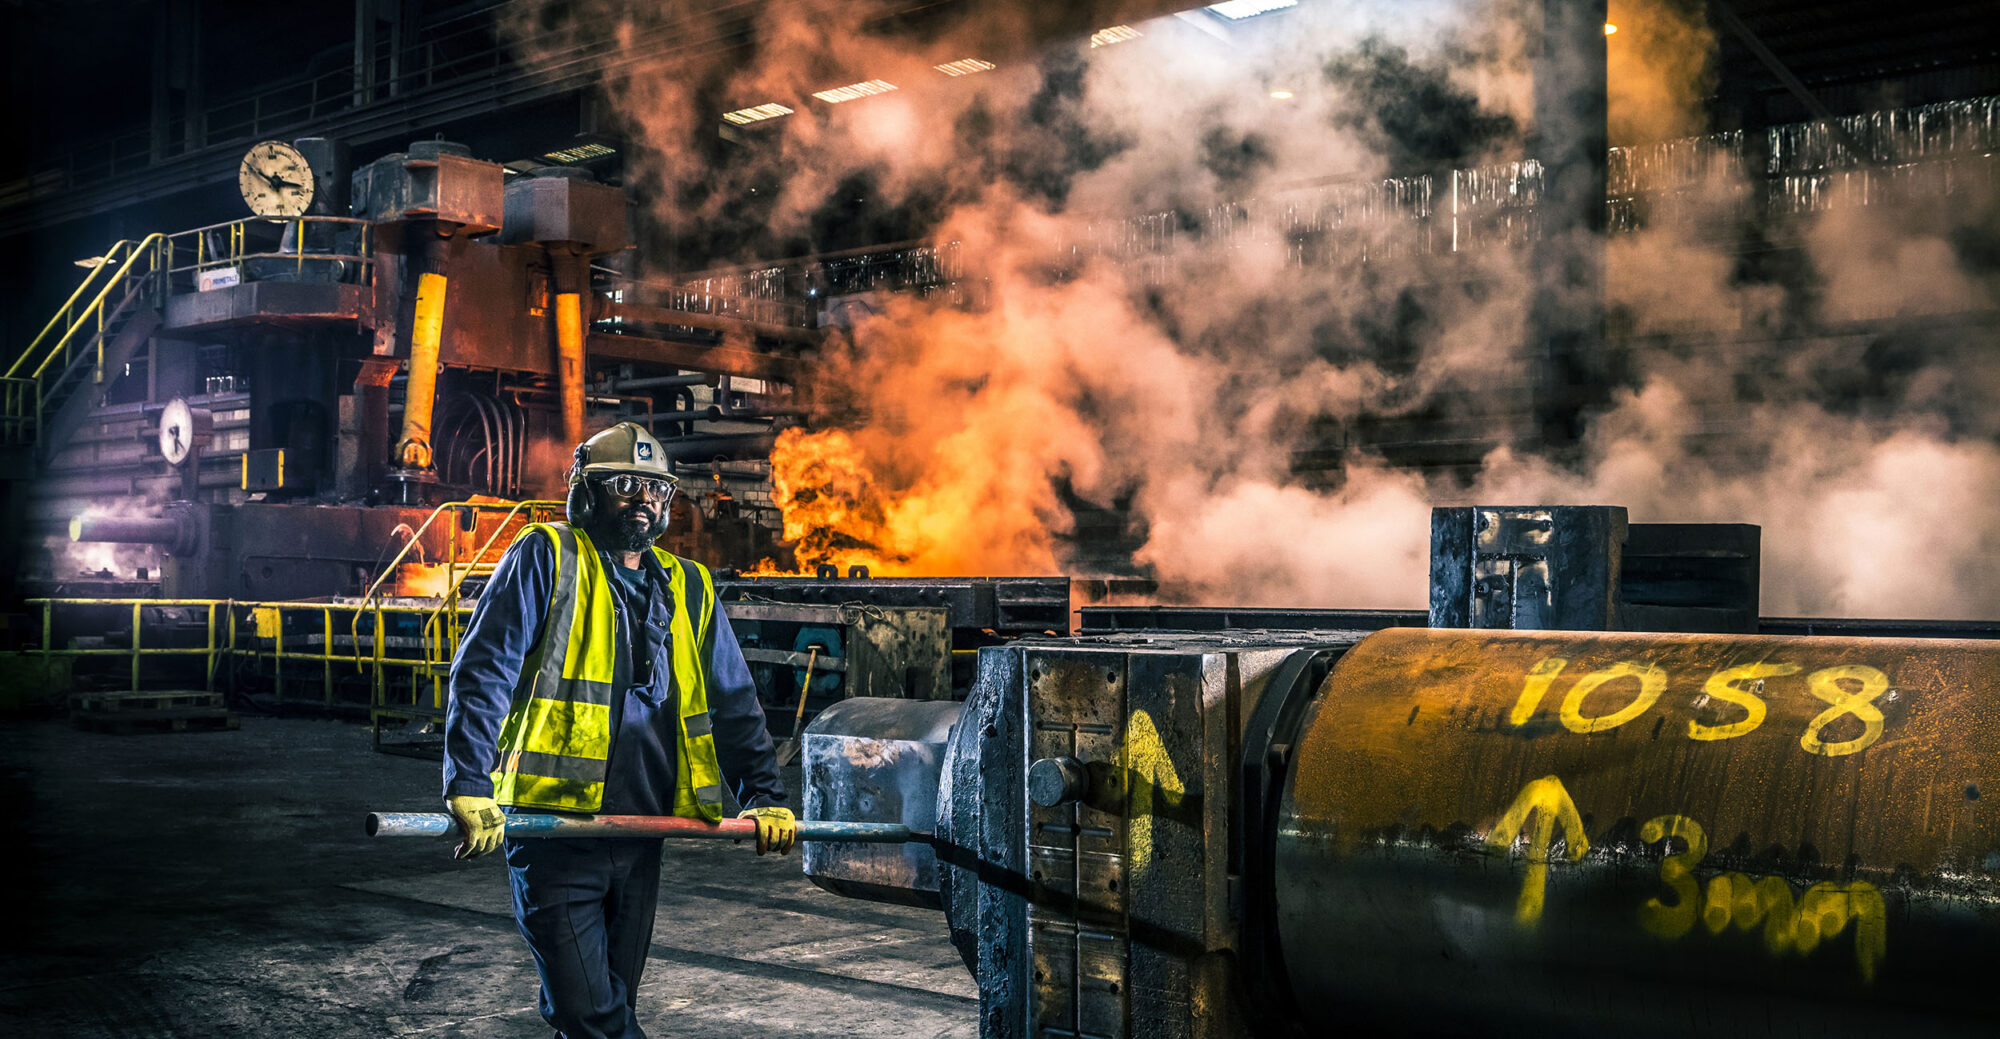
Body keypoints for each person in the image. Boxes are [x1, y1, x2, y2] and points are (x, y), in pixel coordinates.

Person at [442, 421, 796, 1039]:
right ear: (586, 493)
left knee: (610, 1006)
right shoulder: (545, 556)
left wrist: (765, 794)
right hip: (556, 829)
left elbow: (735, 701)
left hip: (644, 829)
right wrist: (468, 779)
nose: (645, 501)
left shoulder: (689, 584)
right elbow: (484, 672)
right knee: (590, 1013)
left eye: (657, 489)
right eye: (626, 486)